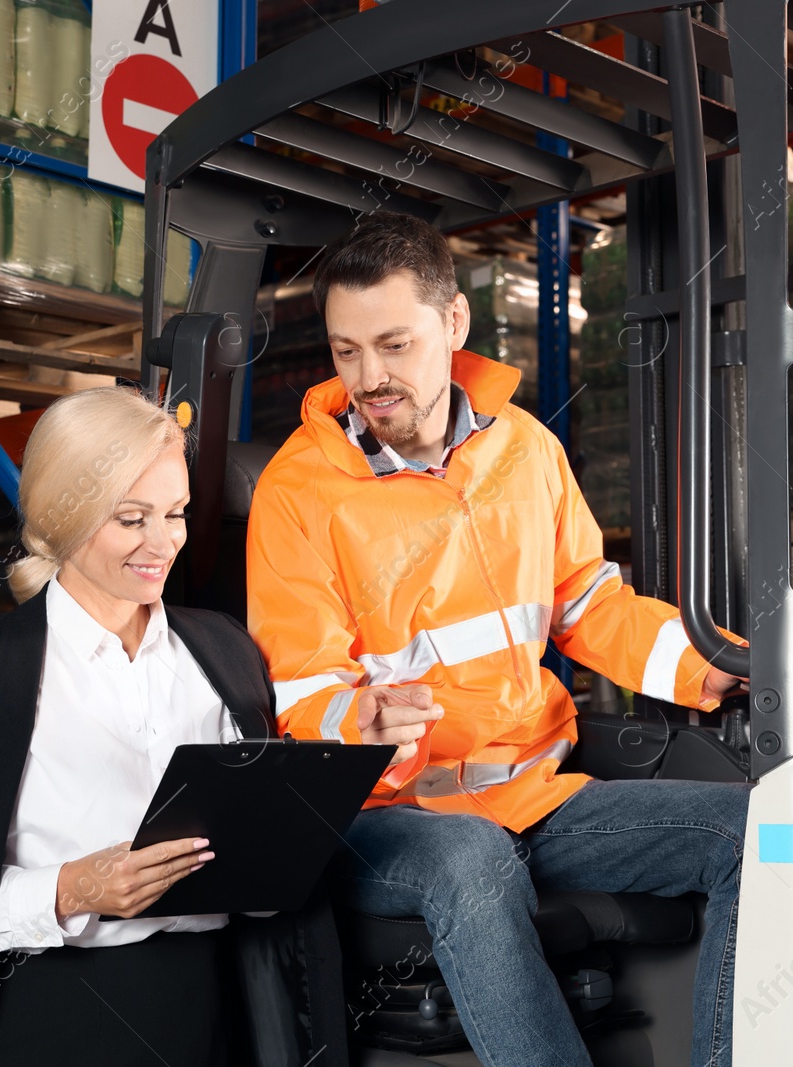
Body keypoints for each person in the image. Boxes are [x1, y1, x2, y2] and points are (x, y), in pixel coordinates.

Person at [246, 212, 752, 1067]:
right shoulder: (299, 492)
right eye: (346, 352)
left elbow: (589, 606)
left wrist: (729, 668)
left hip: (530, 797)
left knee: (756, 827)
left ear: (453, 325)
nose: (370, 377)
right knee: (471, 859)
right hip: (386, 818)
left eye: (393, 344)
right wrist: (359, 719)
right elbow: (298, 689)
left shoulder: (526, 452)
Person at [0, 387, 318, 1067]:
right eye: (132, 518)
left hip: (208, 1010)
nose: (163, 542)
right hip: (44, 1013)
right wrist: (70, 889)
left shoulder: (224, 653)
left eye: (176, 513)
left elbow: (262, 865)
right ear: (63, 515)